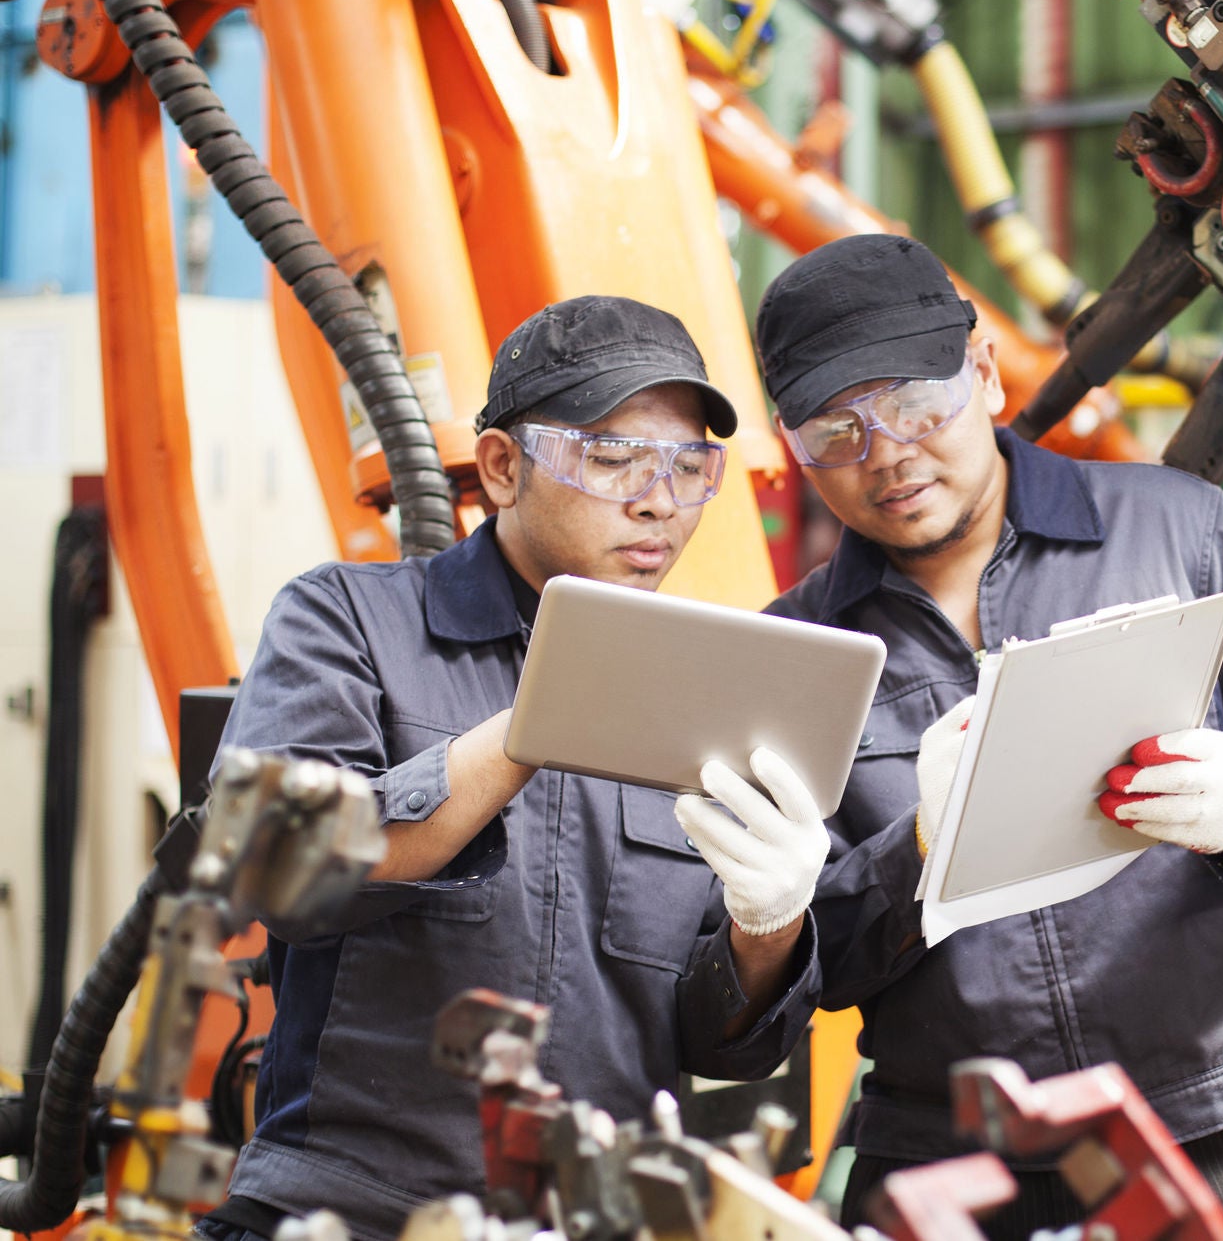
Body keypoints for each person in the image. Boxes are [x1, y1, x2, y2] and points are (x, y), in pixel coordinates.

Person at [755, 235, 1223, 1241]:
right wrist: (911, 850)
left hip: (1200, 1139)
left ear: (987, 376)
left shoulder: (1179, 532)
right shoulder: (793, 656)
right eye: (836, 433)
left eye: (917, 404)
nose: (889, 456)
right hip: (940, 1168)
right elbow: (804, 965)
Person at [196, 297, 828, 1241]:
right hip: (347, 1214)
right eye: (613, 458)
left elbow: (717, 1043)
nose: (656, 499)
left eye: (688, 467)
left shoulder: (711, 691)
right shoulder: (346, 623)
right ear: (502, 466)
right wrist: (529, 726)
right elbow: (273, 869)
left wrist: (768, 928)